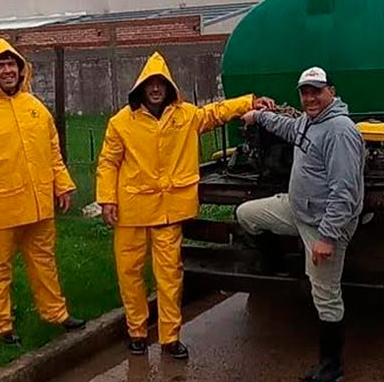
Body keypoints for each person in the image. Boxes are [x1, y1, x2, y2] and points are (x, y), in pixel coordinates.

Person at [96, 51, 275, 359]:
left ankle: (169, 337)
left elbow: (215, 112)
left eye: (160, 83)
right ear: (140, 87)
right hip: (132, 211)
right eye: (150, 84)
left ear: (168, 87)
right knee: (130, 274)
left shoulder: (186, 115)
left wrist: (249, 102)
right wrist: (107, 199)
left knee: (170, 276)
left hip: (168, 211)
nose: (155, 89)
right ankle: (136, 332)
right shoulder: (120, 123)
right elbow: (108, 163)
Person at [235, 66, 365, 382]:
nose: (310, 97)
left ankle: (331, 367)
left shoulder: (339, 131)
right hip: (296, 209)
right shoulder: (310, 121)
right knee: (246, 214)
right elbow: (291, 128)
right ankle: (274, 263)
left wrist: (327, 237)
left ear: (331, 91)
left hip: (323, 224)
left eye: (316, 91)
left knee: (325, 295)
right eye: (305, 92)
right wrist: (259, 116)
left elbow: (345, 192)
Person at [0, 38, 85, 346]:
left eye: (11, 64)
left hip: (39, 205)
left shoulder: (36, 108)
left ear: (20, 68)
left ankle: (56, 313)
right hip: (1, 208)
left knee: (45, 262)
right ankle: (0, 326)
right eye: (0, 65)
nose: (7, 70)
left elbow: (52, 152)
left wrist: (63, 184)